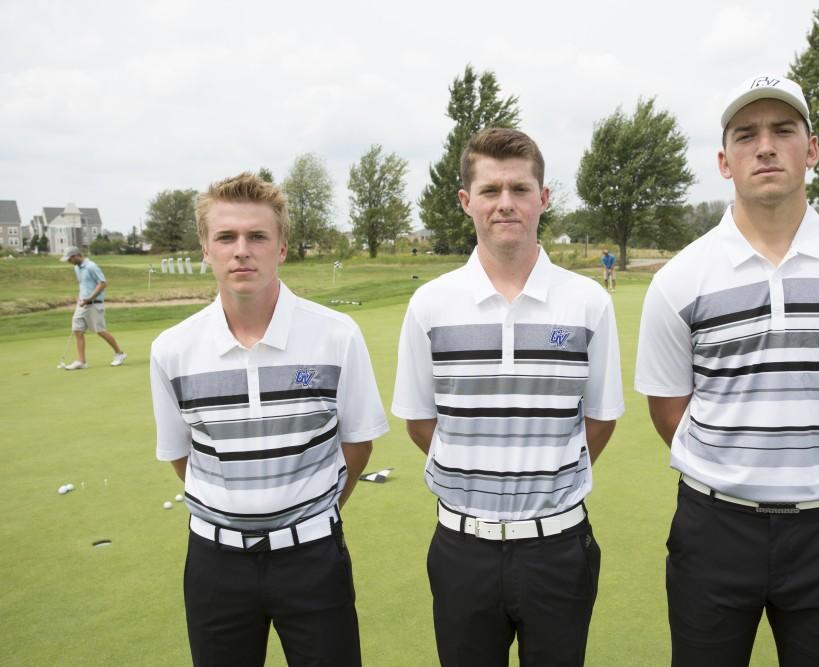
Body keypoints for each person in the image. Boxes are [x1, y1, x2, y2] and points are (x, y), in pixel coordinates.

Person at [635, 74, 819, 666]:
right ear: (724, 161)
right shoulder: (678, 281)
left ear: (811, 149)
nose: (765, 146)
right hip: (712, 531)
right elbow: (669, 412)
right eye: (746, 135)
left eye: (783, 130)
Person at [392, 128, 624, 667]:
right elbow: (421, 422)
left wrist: (542, 479)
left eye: (520, 189)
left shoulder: (588, 303)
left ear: (543, 198)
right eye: (491, 190)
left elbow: (600, 420)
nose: (505, 204)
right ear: (465, 201)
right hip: (462, 548)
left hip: (559, 548)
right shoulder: (430, 304)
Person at [149, 172, 388, 667]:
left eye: (257, 236)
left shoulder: (336, 335)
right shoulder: (172, 349)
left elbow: (357, 447)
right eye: (226, 237)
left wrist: (306, 516)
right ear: (205, 250)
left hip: (313, 559)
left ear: (281, 248)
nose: (242, 250)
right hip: (215, 566)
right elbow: (181, 456)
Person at [61, 246, 126, 369]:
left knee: (100, 331)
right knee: (77, 330)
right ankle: (81, 361)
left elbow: (103, 283)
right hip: (82, 303)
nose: (69, 262)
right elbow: (83, 284)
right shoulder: (76, 268)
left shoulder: (91, 266)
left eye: (69, 259)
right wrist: (81, 298)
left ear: (76, 256)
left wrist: (89, 298)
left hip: (94, 303)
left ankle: (119, 354)